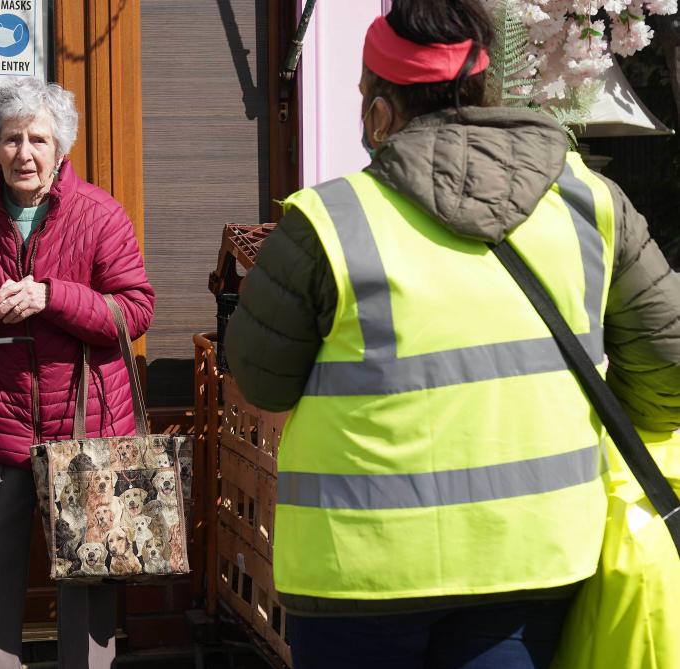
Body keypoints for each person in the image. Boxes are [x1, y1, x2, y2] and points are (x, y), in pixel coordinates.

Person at [224, 1, 680, 667]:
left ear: (380, 107)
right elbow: (668, 374)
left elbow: (261, 379)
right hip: (530, 555)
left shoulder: (328, 221)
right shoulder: (590, 203)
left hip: (360, 568)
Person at [0, 77, 154, 669]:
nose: (24, 153)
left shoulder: (101, 214)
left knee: (88, 588)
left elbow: (135, 311)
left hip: (89, 434)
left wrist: (54, 297)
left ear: (61, 148)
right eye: (11, 139)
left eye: (38, 140)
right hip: (1, 431)